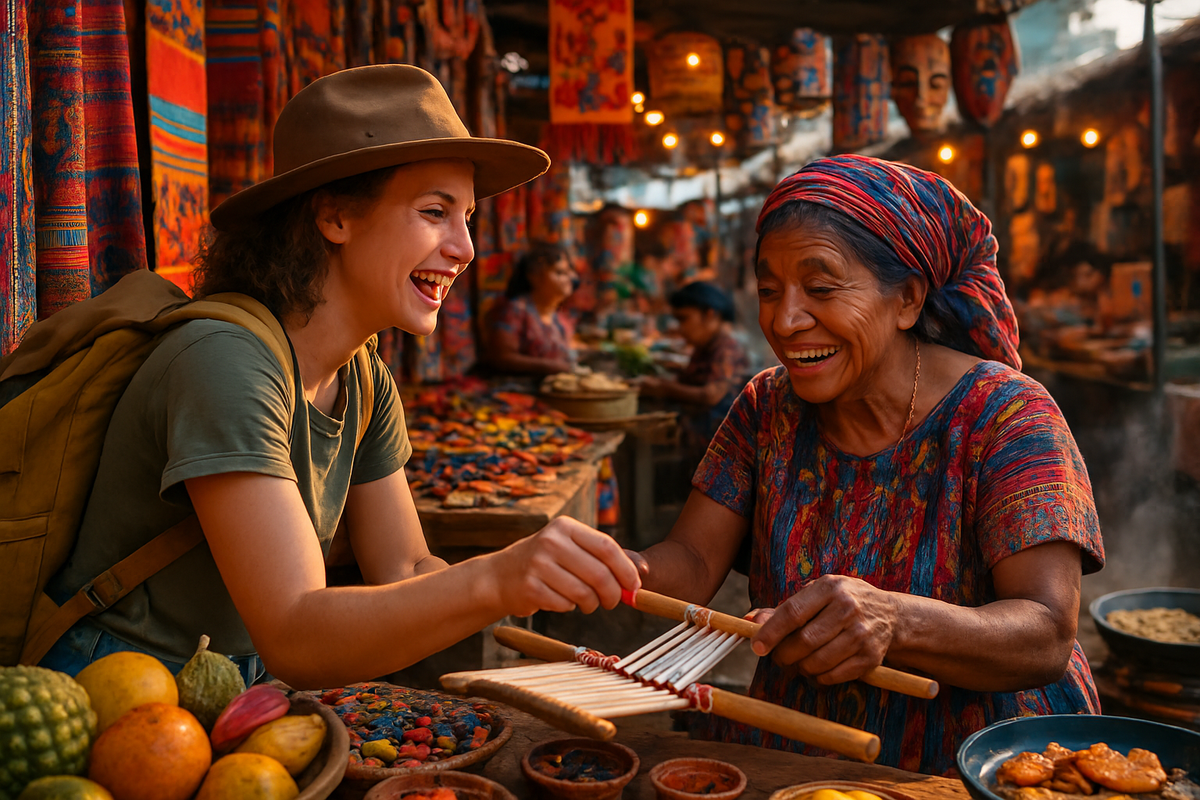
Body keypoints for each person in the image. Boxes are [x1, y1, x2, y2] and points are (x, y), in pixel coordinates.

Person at [39, 65, 640, 688]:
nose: (465, 248)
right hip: (116, 688)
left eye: (467, 217)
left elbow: (404, 568)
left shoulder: (363, 376)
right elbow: (297, 633)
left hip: (233, 685)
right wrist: (495, 578)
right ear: (335, 218)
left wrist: (527, 577)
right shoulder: (223, 360)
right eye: (436, 211)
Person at [628, 155, 1104, 775]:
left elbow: (1044, 633)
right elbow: (691, 563)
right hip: (802, 747)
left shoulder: (1006, 415)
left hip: (983, 762)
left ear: (907, 299)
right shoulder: (765, 407)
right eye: (769, 290)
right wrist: (615, 566)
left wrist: (894, 619)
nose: (785, 319)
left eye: (821, 288)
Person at [638, 281, 750, 443]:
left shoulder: (728, 349)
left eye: (684, 319)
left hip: (717, 443)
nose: (680, 328)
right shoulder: (704, 346)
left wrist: (664, 388)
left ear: (710, 315)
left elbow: (711, 395)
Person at [485, 242, 579, 376]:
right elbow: (501, 358)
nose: (571, 278)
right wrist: (547, 367)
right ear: (533, 276)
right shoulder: (516, 311)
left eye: (570, 272)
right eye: (560, 272)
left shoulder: (559, 316)